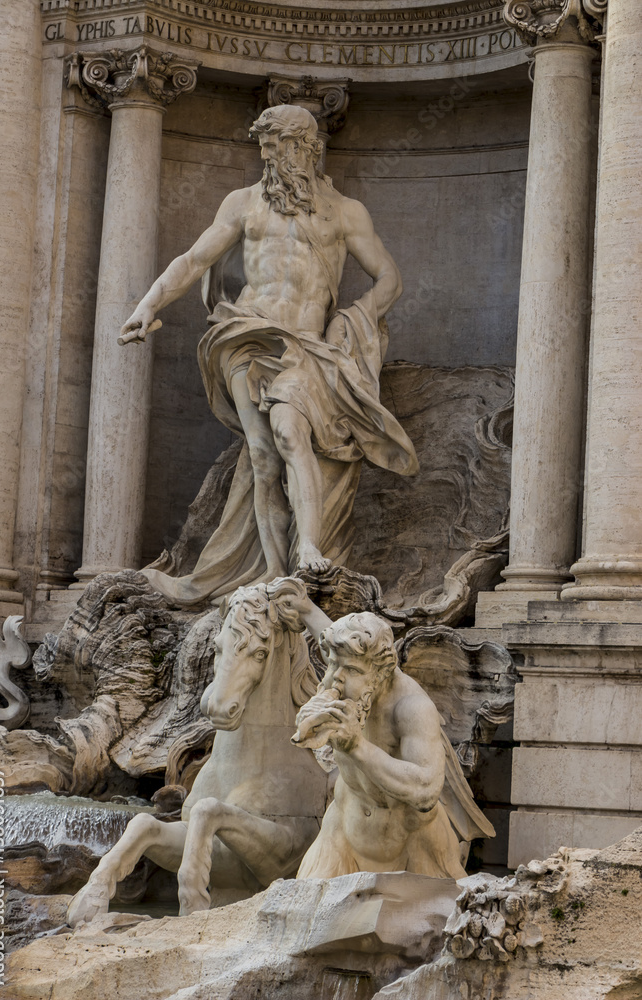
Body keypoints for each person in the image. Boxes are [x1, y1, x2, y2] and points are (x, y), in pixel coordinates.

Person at [121, 104, 418, 606]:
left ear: (305, 147)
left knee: (288, 430)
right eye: (263, 149)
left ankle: (308, 546)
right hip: (246, 335)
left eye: (276, 148)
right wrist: (147, 305)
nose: (268, 159)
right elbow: (195, 260)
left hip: (305, 346)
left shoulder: (345, 212)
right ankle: (276, 569)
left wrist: (355, 318)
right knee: (262, 455)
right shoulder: (242, 204)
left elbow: (389, 277)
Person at [282, 592, 495, 879]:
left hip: (413, 845)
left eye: (350, 670)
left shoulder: (412, 708)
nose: (334, 679)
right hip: (343, 833)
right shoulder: (349, 671)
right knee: (299, 913)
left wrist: (356, 746)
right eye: (332, 664)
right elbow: (334, 647)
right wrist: (304, 606)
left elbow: (425, 789)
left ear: (381, 672)